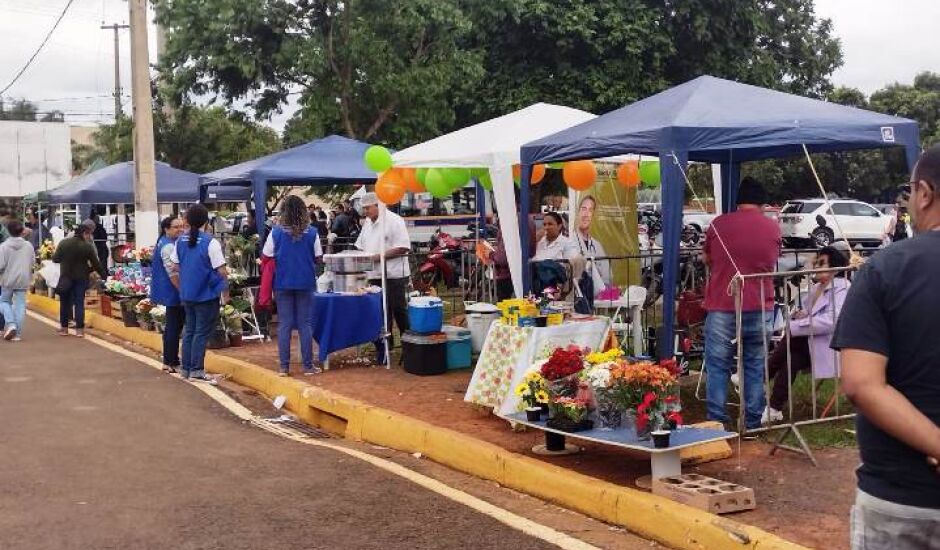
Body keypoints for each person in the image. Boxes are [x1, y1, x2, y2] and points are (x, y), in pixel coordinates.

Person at [832, 145, 940, 549]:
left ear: (925, 193)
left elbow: (863, 384)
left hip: (901, 498)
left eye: (909, 191)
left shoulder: (884, 269)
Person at [702, 177, 781, 430]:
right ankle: (753, 423)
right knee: (755, 364)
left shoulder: (718, 223)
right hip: (760, 305)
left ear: (738, 201)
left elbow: (707, 258)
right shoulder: (772, 227)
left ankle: (717, 421)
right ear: (762, 202)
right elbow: (772, 260)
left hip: (723, 304)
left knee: (717, 364)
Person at [763, 246, 850, 424]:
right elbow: (807, 314)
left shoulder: (843, 289)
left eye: (821, 263)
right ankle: (773, 406)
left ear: (834, 268)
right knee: (791, 359)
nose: (816, 267)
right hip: (809, 345)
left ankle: (761, 380)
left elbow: (831, 322)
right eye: (815, 262)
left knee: (792, 339)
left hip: (832, 346)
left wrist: (797, 325)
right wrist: (799, 317)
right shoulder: (816, 288)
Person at [263, 195, 322, 376]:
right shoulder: (312, 232)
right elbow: (318, 257)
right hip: (306, 282)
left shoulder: (276, 232)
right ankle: (308, 366)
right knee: (305, 324)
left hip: (282, 282)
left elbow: (266, 255)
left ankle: (284, 367)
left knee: (285, 325)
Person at [170, 204, 228, 383]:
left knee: (189, 331)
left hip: (187, 292)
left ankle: (186, 369)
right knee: (201, 332)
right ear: (205, 220)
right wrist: (225, 291)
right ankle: (197, 370)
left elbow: (174, 266)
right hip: (206, 293)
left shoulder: (181, 241)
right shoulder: (210, 242)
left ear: (188, 220)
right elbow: (222, 270)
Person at [355, 192, 411, 365]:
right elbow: (361, 246)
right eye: (363, 208)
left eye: (367, 208)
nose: (365, 211)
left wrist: (379, 256)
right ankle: (385, 346)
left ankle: (408, 344)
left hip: (394, 274)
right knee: (379, 311)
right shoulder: (367, 224)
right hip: (375, 274)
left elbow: (403, 247)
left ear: (377, 205)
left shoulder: (394, 221)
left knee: (398, 309)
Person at [52, 220, 106, 338]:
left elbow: (55, 259)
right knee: (79, 303)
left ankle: (64, 329)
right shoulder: (87, 246)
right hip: (81, 278)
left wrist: (65, 260)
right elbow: (96, 264)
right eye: (89, 234)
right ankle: (80, 330)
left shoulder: (63, 243)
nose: (89, 236)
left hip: (66, 277)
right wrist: (103, 275)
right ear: (84, 234)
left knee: (65, 303)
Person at [150, 216, 185, 373]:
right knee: (174, 327)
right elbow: (173, 274)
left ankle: (170, 360)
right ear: (166, 229)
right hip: (174, 291)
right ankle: (170, 360)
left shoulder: (165, 242)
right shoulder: (168, 247)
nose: (180, 229)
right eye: (176, 227)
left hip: (171, 291)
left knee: (173, 326)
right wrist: (182, 291)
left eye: (182, 226)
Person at [573, 195, 611, 313]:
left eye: (590, 210)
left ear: (593, 215)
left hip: (596, 298)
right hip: (576, 300)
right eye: (583, 209)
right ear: (577, 212)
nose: (586, 214)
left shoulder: (597, 245)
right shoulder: (569, 241)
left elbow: (607, 277)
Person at [0, 220, 36, 341]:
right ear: (21, 231)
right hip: (23, 278)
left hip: (8, 279)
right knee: (20, 305)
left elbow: (0, 265)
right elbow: (33, 262)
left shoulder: (4, 246)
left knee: (4, 301)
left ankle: (11, 324)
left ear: (8, 231)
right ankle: (17, 334)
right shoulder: (28, 246)